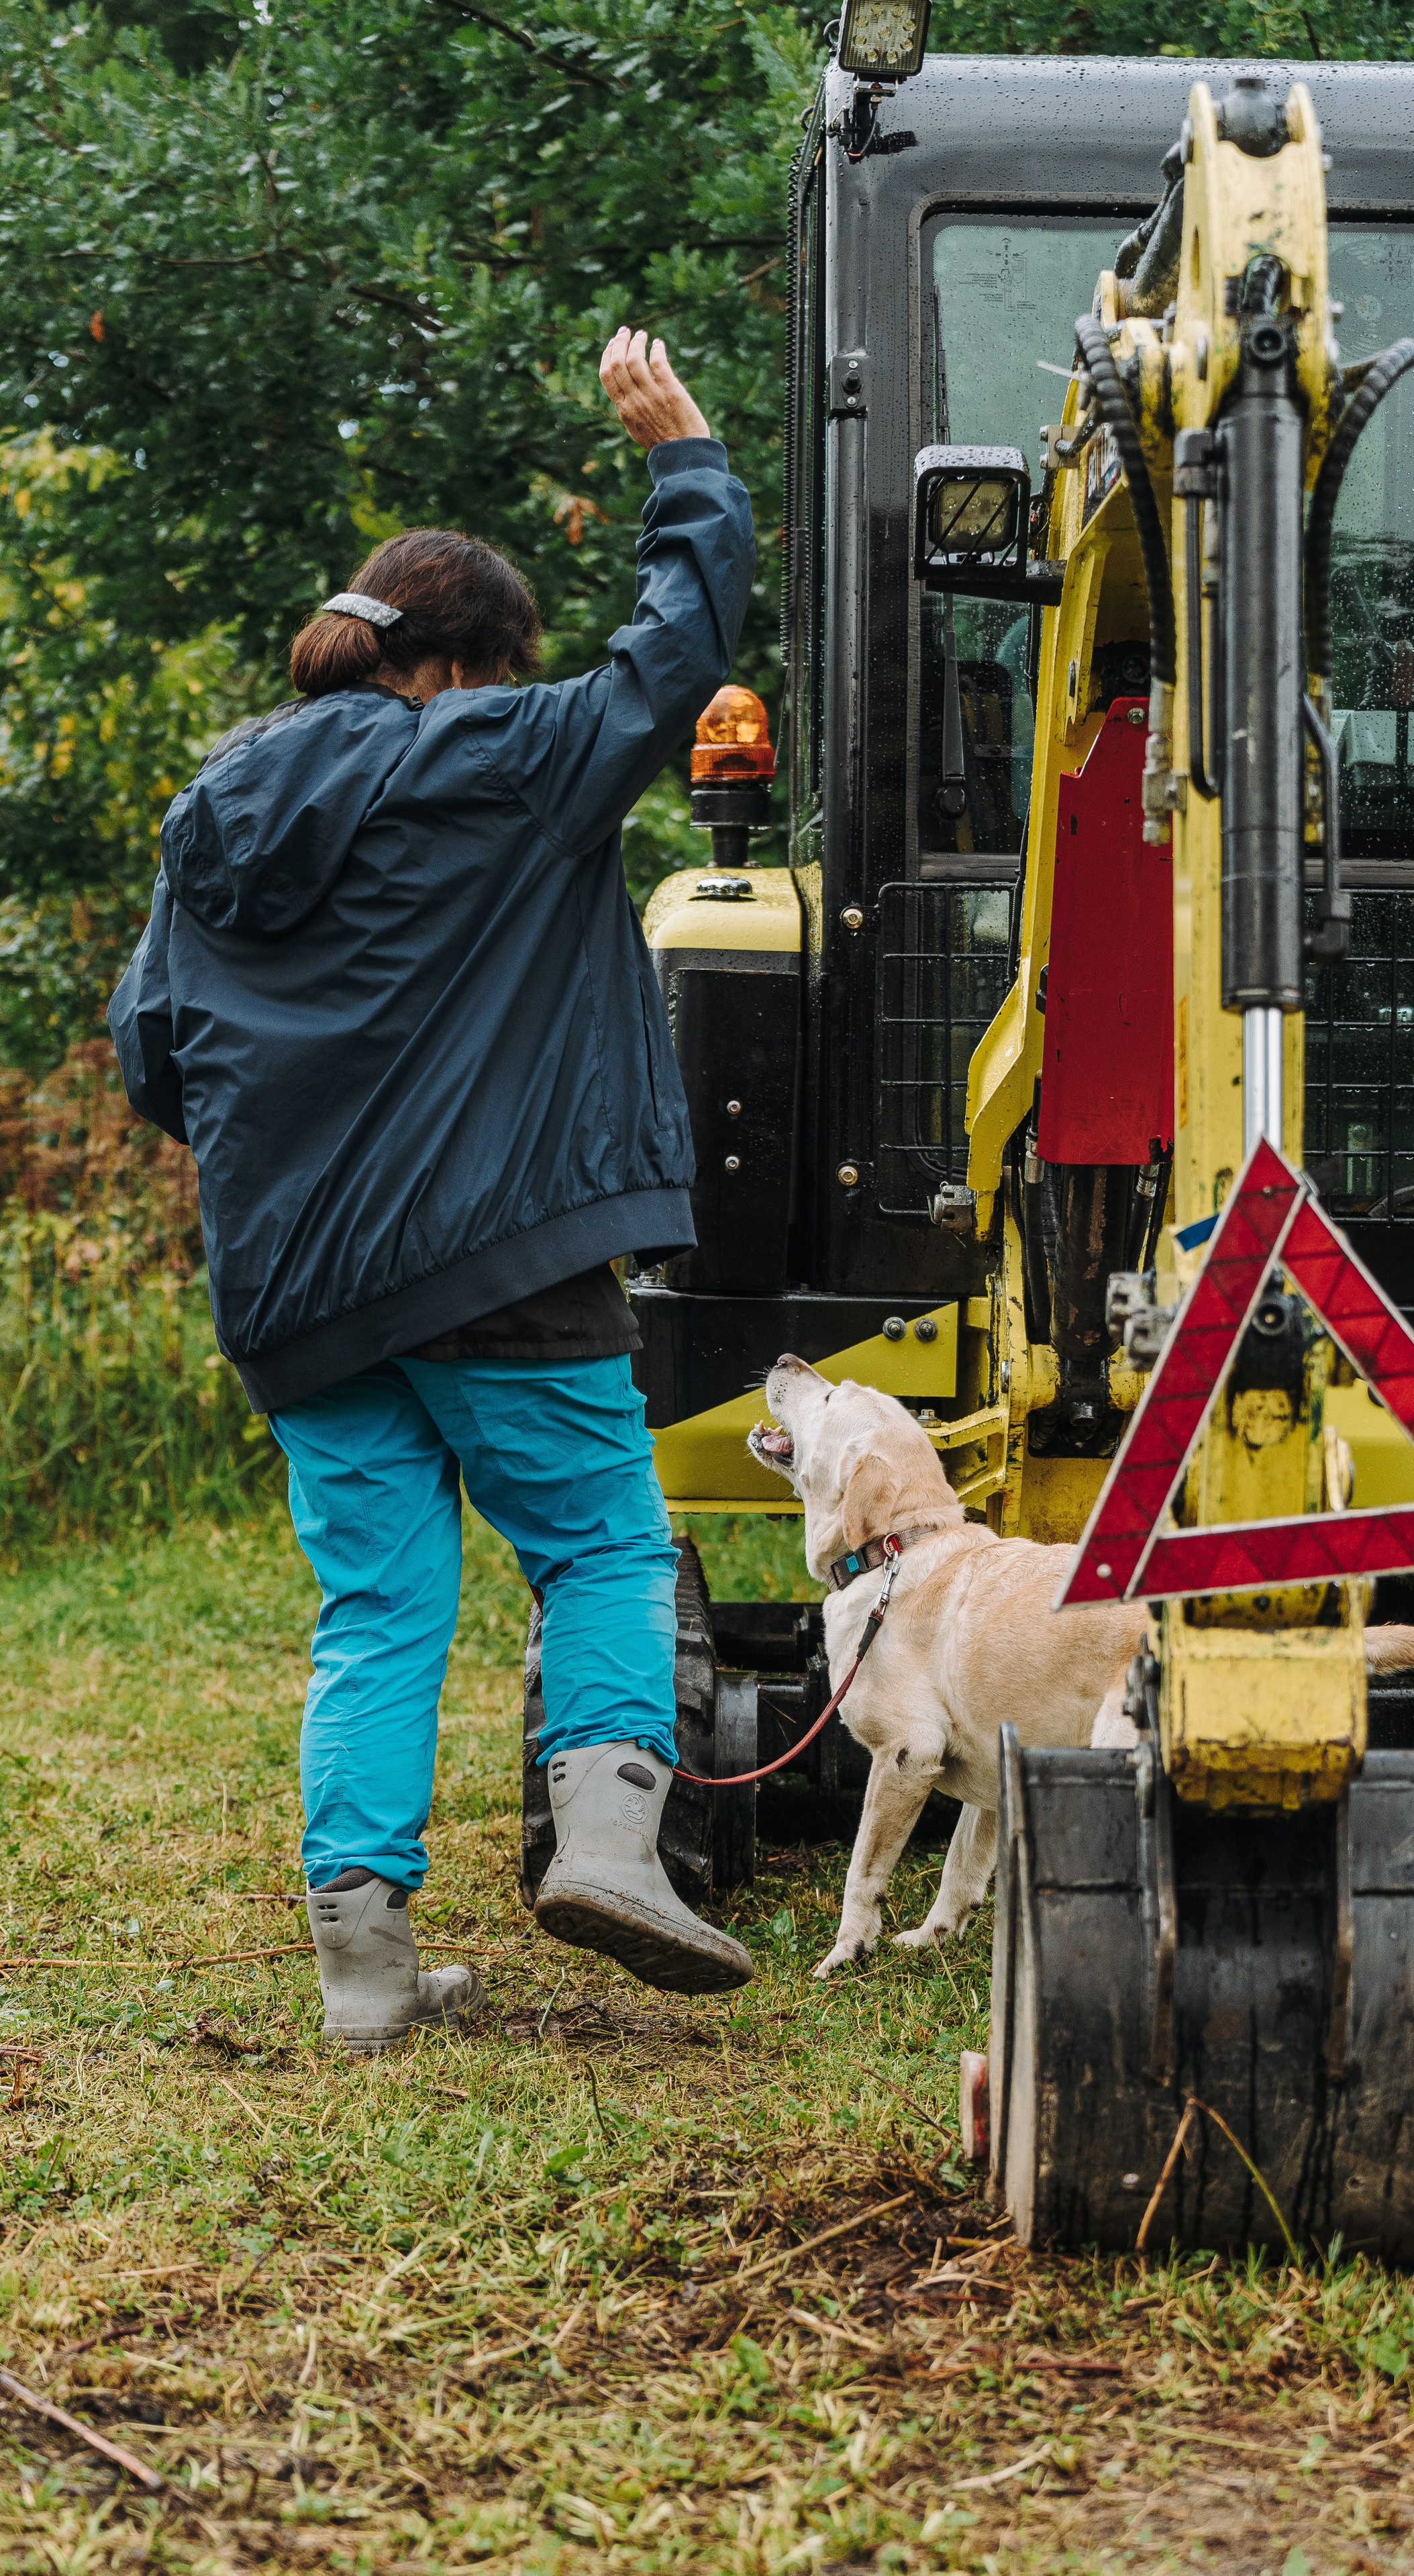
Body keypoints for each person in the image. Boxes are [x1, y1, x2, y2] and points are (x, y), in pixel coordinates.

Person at [109, 329, 757, 2052]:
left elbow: (150, 1057)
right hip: (502, 1259)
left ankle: (366, 1975)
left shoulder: (215, 802)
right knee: (602, 1540)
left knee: (379, 1602)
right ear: (468, 670)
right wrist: (685, 460)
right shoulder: (500, 758)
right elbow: (673, 660)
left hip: (296, 1294)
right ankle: (613, 1845)